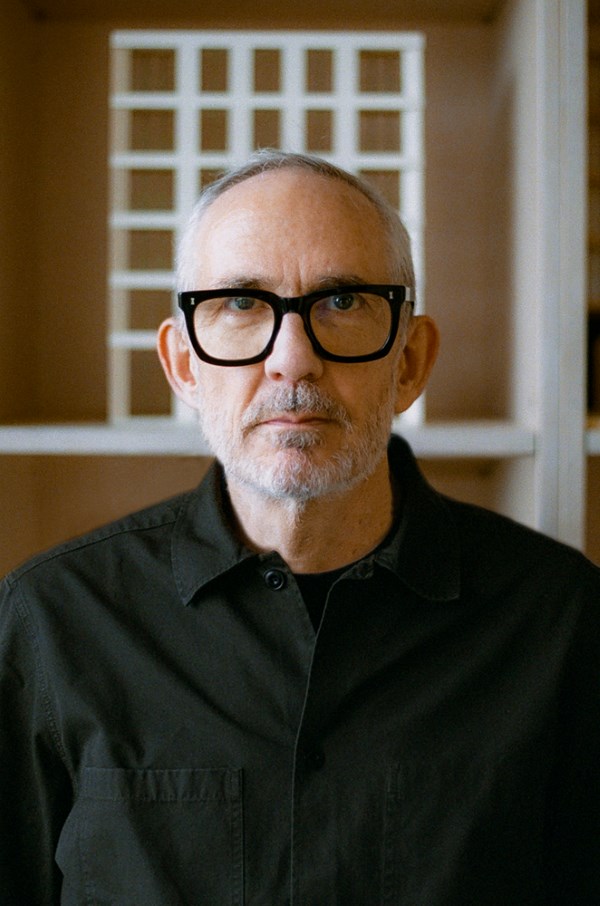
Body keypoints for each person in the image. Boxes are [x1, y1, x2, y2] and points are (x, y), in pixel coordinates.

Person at [0, 150, 598, 905]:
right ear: (183, 365)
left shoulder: (559, 619)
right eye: (243, 305)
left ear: (410, 360)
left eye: (342, 303)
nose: (294, 359)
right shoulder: (54, 622)